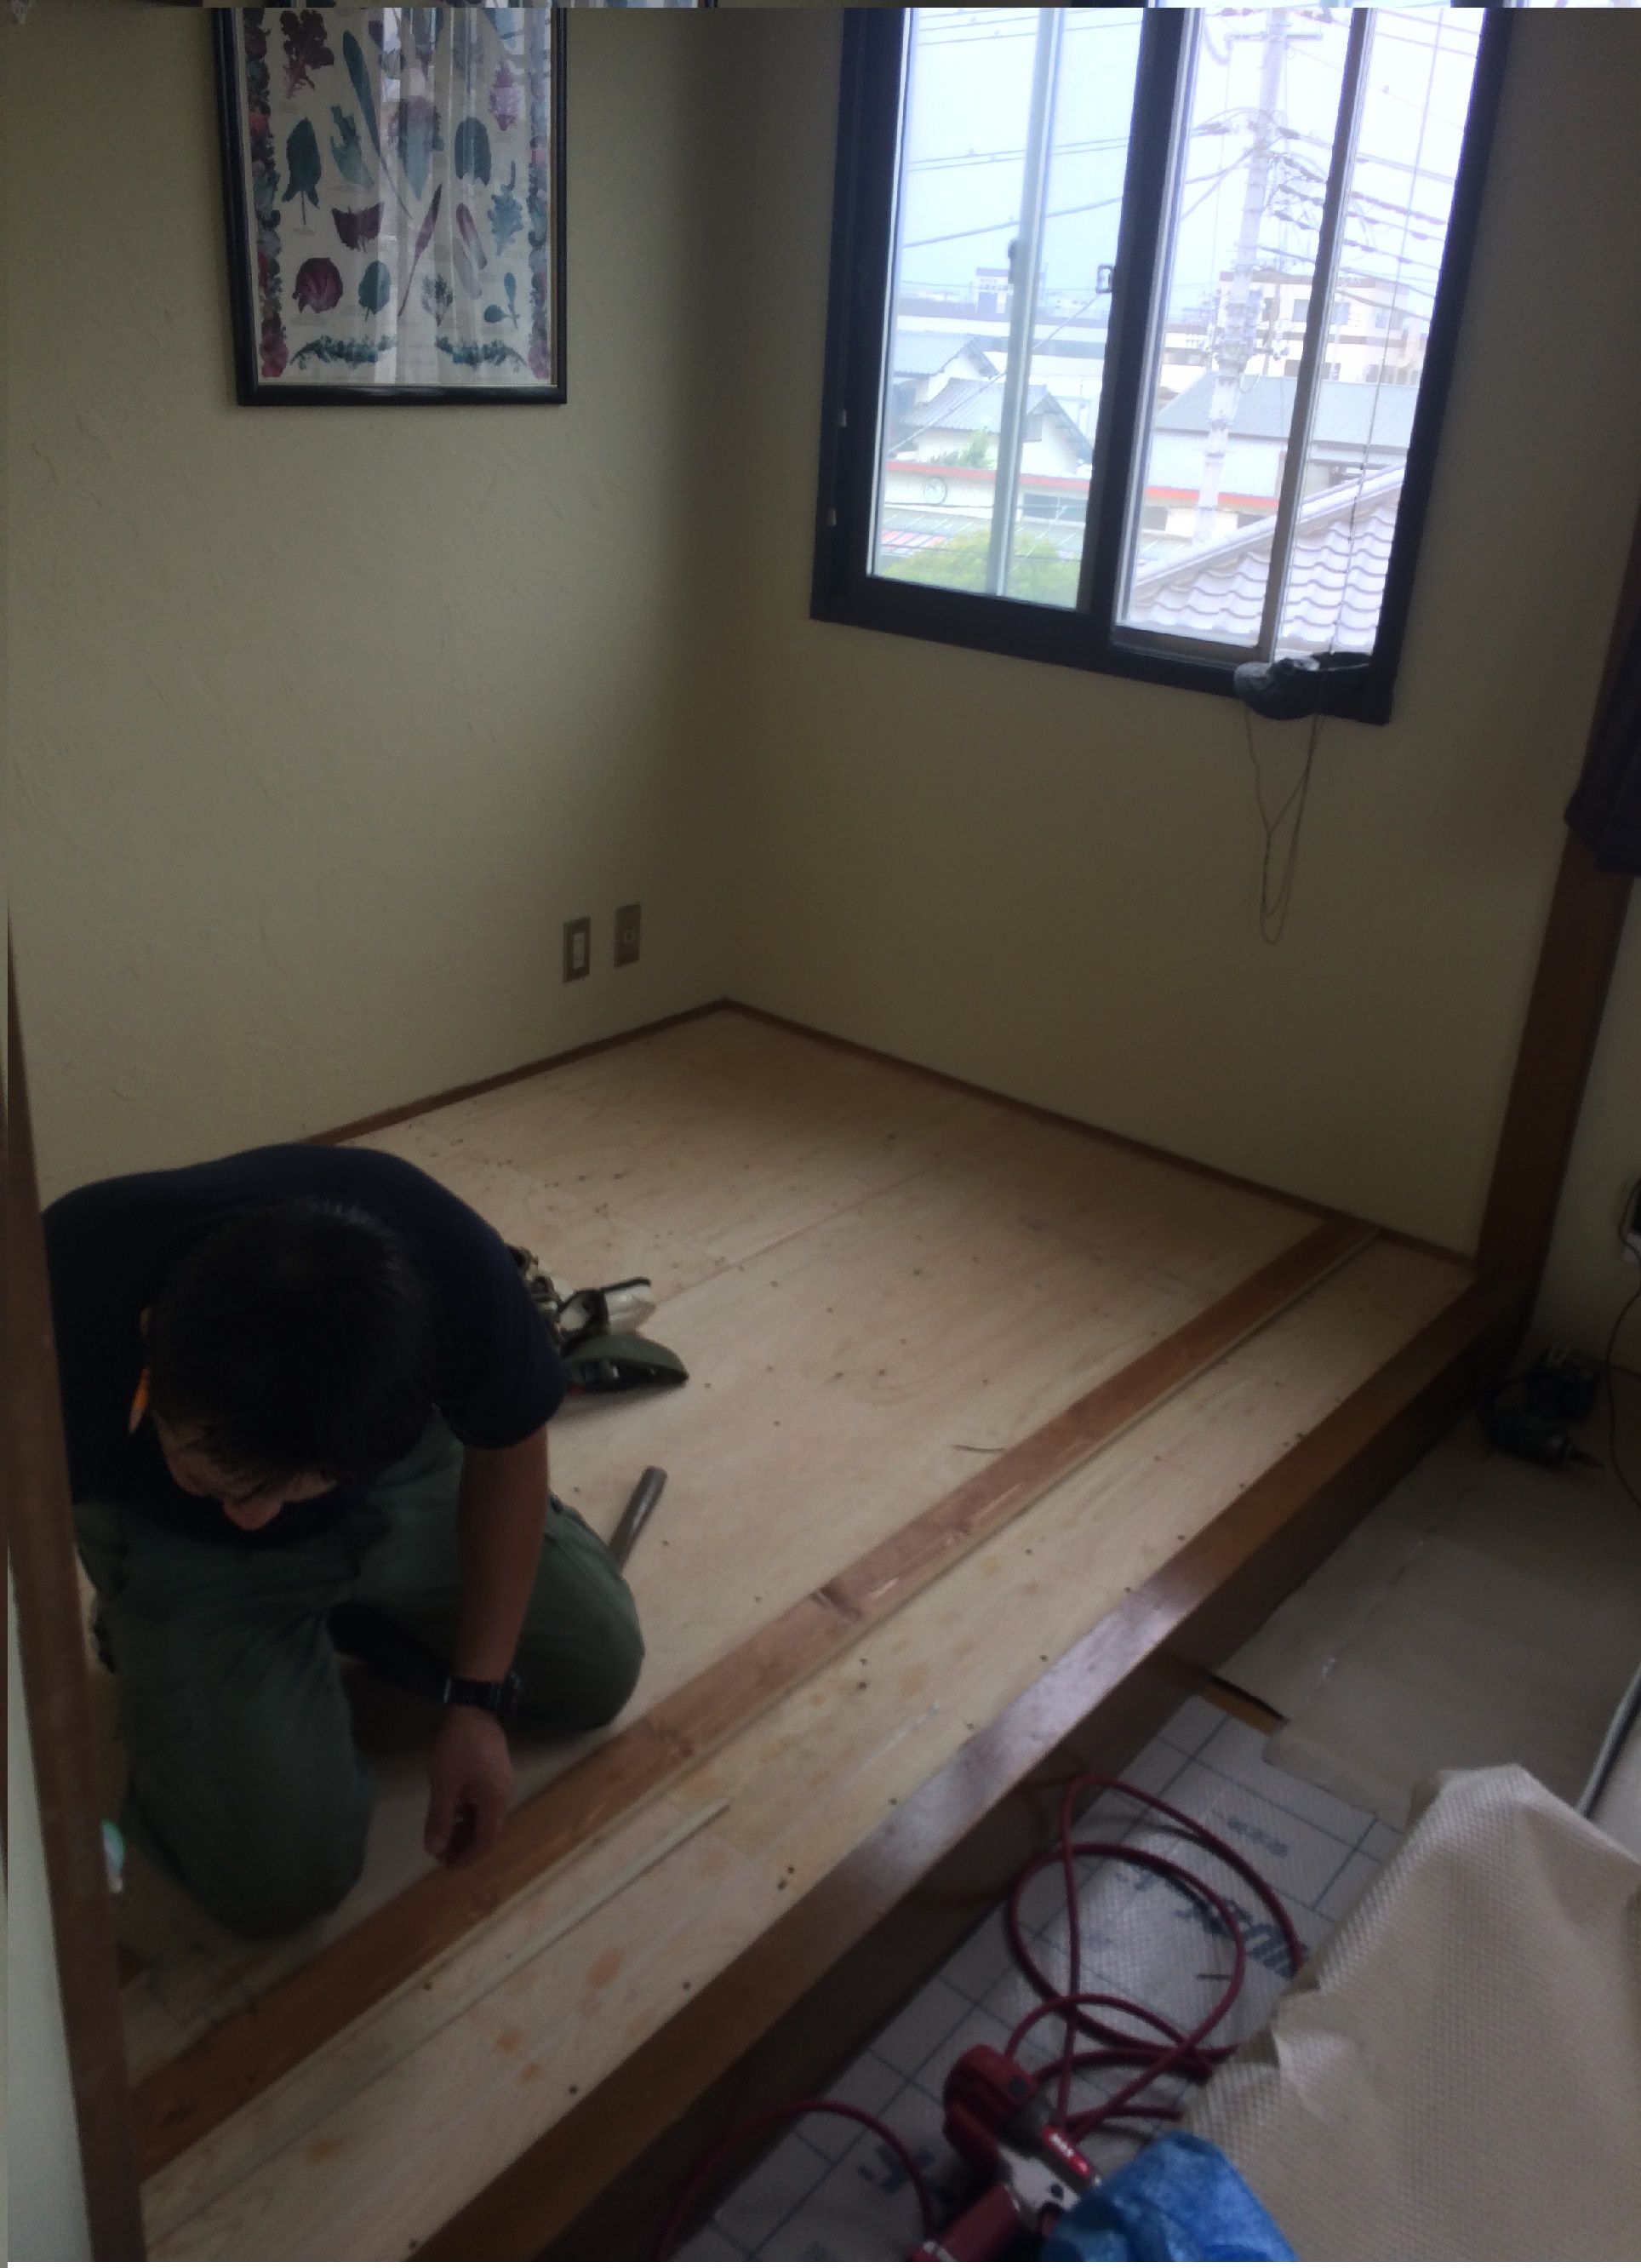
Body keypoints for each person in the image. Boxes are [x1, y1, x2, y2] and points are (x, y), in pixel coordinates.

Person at [43, 1143, 643, 1939]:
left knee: (597, 1671)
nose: (253, 1522)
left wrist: (479, 1699)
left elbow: (509, 1446)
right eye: (215, 1481)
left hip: (389, 1482)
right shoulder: (51, 1307)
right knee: (274, 1879)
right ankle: (166, 1632)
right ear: (153, 1342)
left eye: (287, 1493)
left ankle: (346, 1604)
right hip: (168, 1535)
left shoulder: (448, 1261)